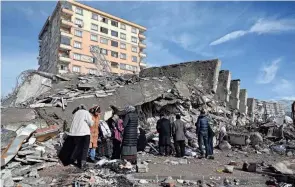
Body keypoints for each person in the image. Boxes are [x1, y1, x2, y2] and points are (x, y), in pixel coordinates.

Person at [58, 105, 93, 169]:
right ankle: (82, 164)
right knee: (84, 149)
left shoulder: (75, 113)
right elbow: (91, 123)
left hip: (74, 134)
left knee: (78, 148)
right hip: (84, 133)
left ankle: (74, 161)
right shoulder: (86, 113)